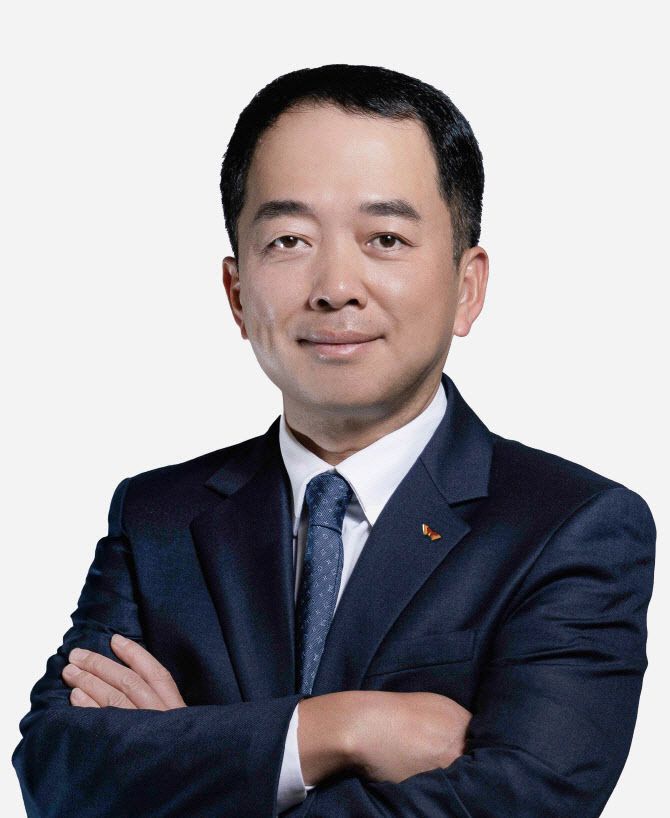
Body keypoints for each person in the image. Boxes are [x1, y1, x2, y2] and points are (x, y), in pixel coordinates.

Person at [12, 64, 656, 818]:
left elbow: (522, 803)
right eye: (289, 239)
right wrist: (343, 729)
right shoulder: (158, 516)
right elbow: (58, 775)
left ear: (468, 287)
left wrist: (188, 757)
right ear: (236, 292)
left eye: (385, 237)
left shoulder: (572, 528)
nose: (335, 286)